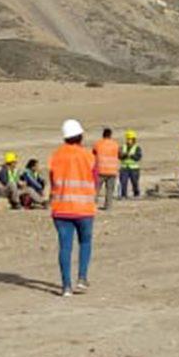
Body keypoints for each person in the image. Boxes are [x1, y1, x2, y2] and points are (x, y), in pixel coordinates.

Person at [49, 119, 97, 297]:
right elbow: (95, 179)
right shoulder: (88, 156)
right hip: (84, 209)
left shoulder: (56, 156)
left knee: (65, 247)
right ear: (80, 136)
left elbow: (53, 180)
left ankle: (66, 286)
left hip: (61, 208)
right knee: (85, 242)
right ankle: (82, 278)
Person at [92, 127, 120, 210]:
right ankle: (108, 206)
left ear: (103, 135)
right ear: (110, 135)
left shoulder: (98, 144)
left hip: (100, 170)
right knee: (110, 190)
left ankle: (92, 205)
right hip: (112, 171)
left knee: (96, 190)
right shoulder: (115, 144)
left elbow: (93, 154)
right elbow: (120, 155)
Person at [119, 129, 142, 200]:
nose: (128, 141)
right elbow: (119, 156)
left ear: (133, 140)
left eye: (130, 139)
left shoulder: (137, 148)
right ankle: (123, 195)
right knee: (123, 182)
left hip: (134, 169)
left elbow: (138, 157)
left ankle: (136, 194)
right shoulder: (123, 147)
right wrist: (125, 155)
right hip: (124, 168)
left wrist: (131, 156)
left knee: (135, 182)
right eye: (128, 139)